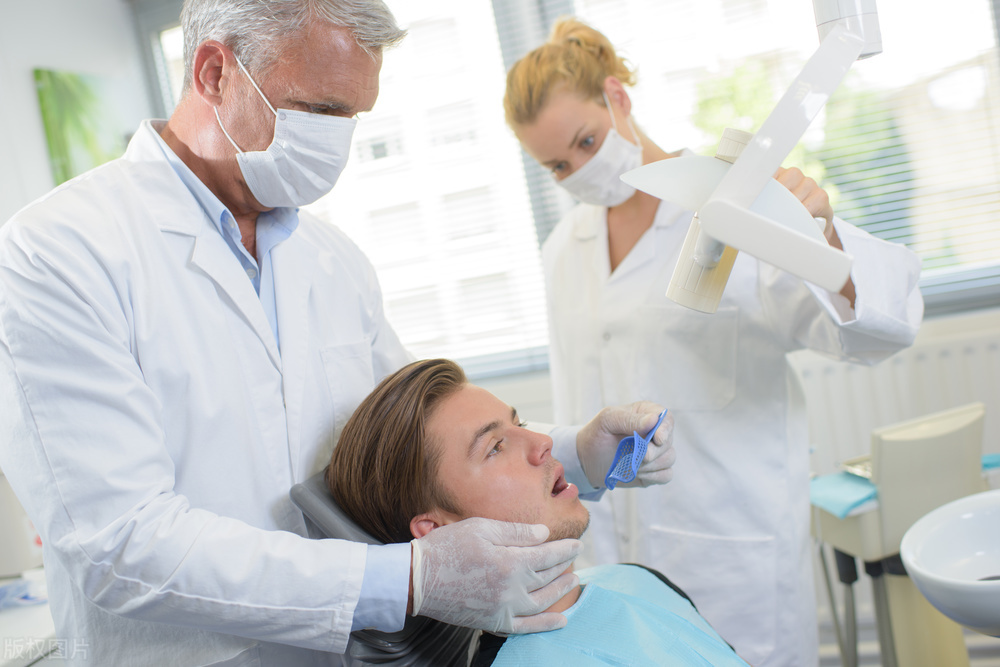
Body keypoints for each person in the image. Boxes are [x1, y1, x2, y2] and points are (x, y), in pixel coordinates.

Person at [0, 3, 677, 665]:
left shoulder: (328, 257)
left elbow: (418, 435)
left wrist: (578, 452)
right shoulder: (58, 252)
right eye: (321, 111)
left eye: (353, 116)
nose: (339, 140)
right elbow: (118, 544)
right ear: (213, 73)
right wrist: (405, 580)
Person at [502, 17, 924, 667]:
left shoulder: (731, 205)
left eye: (586, 141)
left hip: (734, 549)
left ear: (618, 96)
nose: (580, 169)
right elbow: (578, 401)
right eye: (557, 164)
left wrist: (822, 230)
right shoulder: (564, 251)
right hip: (620, 560)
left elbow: (870, 330)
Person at [327, 358, 749, 666]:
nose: (542, 443)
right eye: (495, 447)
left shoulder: (639, 580)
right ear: (438, 531)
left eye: (520, 422)